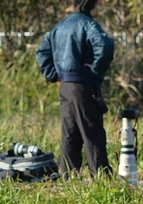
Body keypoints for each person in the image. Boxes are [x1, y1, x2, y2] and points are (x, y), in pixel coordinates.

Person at [36, 0, 114, 177]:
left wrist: (53, 74)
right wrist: (95, 71)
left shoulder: (60, 26)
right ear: (93, 6)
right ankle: (102, 178)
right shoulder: (88, 24)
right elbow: (105, 46)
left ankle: (69, 177)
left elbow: (42, 52)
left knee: (70, 133)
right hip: (83, 86)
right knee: (92, 131)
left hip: (64, 85)